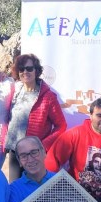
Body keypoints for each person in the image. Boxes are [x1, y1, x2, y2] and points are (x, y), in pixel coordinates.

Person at [5, 53, 66, 182]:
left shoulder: (48, 97)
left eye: (29, 68)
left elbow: (61, 125)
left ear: (36, 70)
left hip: (32, 153)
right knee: (15, 187)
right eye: (21, 69)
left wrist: (43, 145)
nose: (25, 72)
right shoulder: (15, 89)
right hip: (14, 150)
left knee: (34, 189)